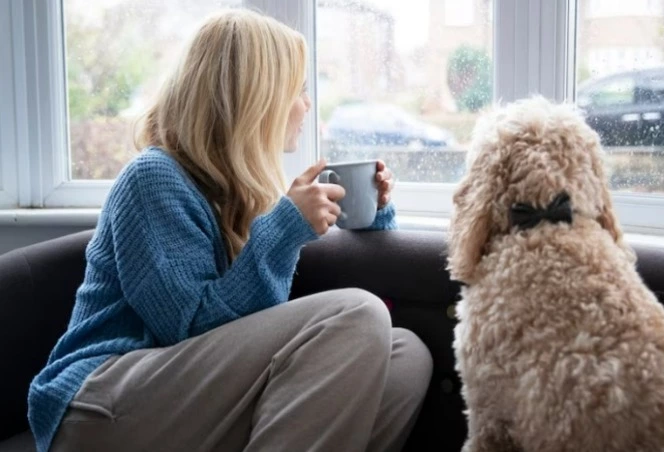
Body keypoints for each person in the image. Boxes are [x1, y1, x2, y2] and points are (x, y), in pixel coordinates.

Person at [28, 8, 433, 452]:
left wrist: (373, 212)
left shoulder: (239, 192)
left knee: (404, 356)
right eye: (297, 90)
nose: (307, 104)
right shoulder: (152, 178)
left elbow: (254, 335)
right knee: (357, 314)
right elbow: (189, 330)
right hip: (98, 405)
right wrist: (284, 229)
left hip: (181, 398)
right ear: (257, 98)